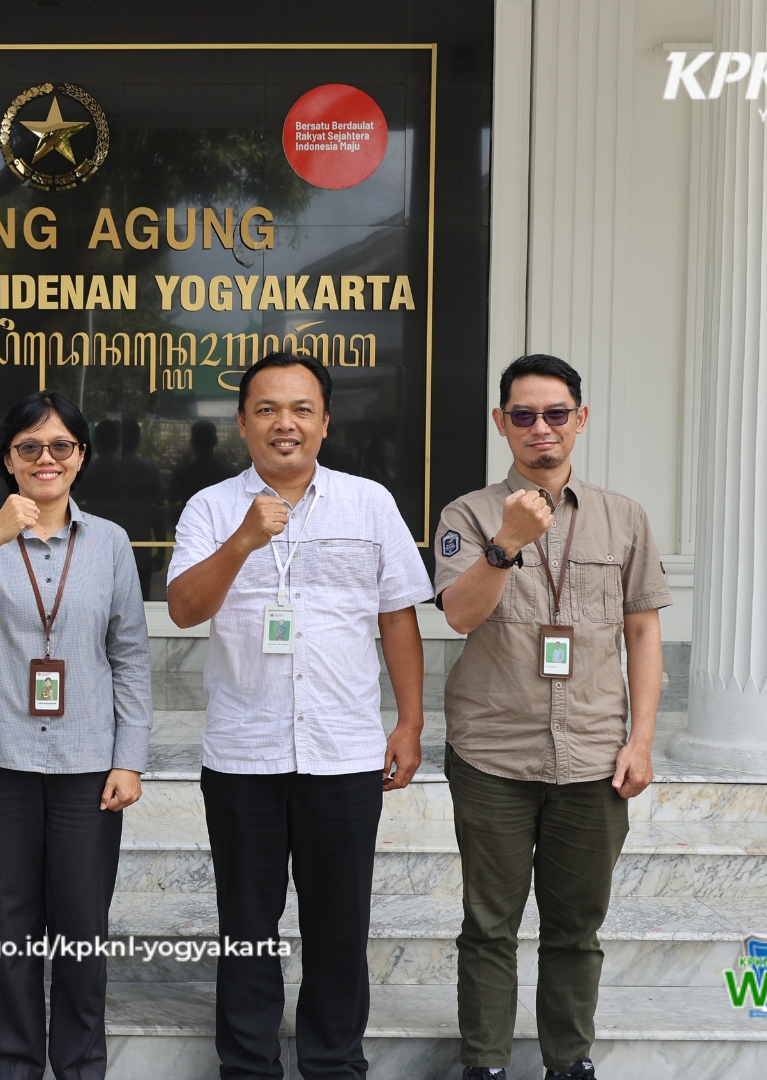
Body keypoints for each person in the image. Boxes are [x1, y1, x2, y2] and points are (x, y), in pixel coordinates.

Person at [166, 352, 429, 1080]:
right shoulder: (210, 508)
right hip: (243, 755)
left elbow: (397, 618)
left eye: (301, 409)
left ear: (325, 421)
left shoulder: (369, 502)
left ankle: (335, 1064)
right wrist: (245, 539)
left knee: (338, 927)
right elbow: (186, 609)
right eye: (268, 409)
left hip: (342, 752)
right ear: (243, 421)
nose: (286, 424)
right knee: (247, 930)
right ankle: (248, 1067)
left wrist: (408, 723)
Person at [433, 355, 670, 1080]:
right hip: (492, 755)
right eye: (525, 415)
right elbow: (460, 615)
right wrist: (506, 541)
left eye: (556, 413)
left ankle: (569, 1063)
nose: (542, 429)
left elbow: (642, 631)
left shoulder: (622, 515)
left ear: (581, 419)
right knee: (490, 928)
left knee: (575, 929)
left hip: (597, 754)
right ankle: (485, 1066)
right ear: (501, 424)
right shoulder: (467, 515)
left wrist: (642, 740)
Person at [0, 390, 152, 1080]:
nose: (45, 459)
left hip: (87, 760)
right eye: (29, 447)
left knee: (82, 928)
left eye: (60, 447)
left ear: (81, 458)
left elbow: (131, 655)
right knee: (9, 927)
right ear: (7, 459)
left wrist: (129, 759)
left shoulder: (109, 542)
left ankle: (81, 1066)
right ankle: (16, 1065)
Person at [78, 418, 164, 597]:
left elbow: (73, 505)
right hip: (140, 552)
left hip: (98, 554)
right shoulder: (148, 468)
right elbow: (158, 512)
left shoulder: (90, 470)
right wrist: (161, 549)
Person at [168, 419, 239, 512]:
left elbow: (172, 499)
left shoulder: (181, 474)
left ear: (192, 442)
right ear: (215, 441)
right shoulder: (230, 475)